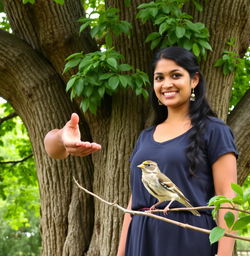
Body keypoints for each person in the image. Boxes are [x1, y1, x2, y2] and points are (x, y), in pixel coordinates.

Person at [44, 46, 238, 256]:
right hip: (141, 239)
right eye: (159, 78)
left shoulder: (214, 130)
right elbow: (133, 203)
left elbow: (228, 197)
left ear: (194, 80)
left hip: (189, 239)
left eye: (176, 75)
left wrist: (224, 254)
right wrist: (121, 253)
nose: (167, 84)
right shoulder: (145, 137)